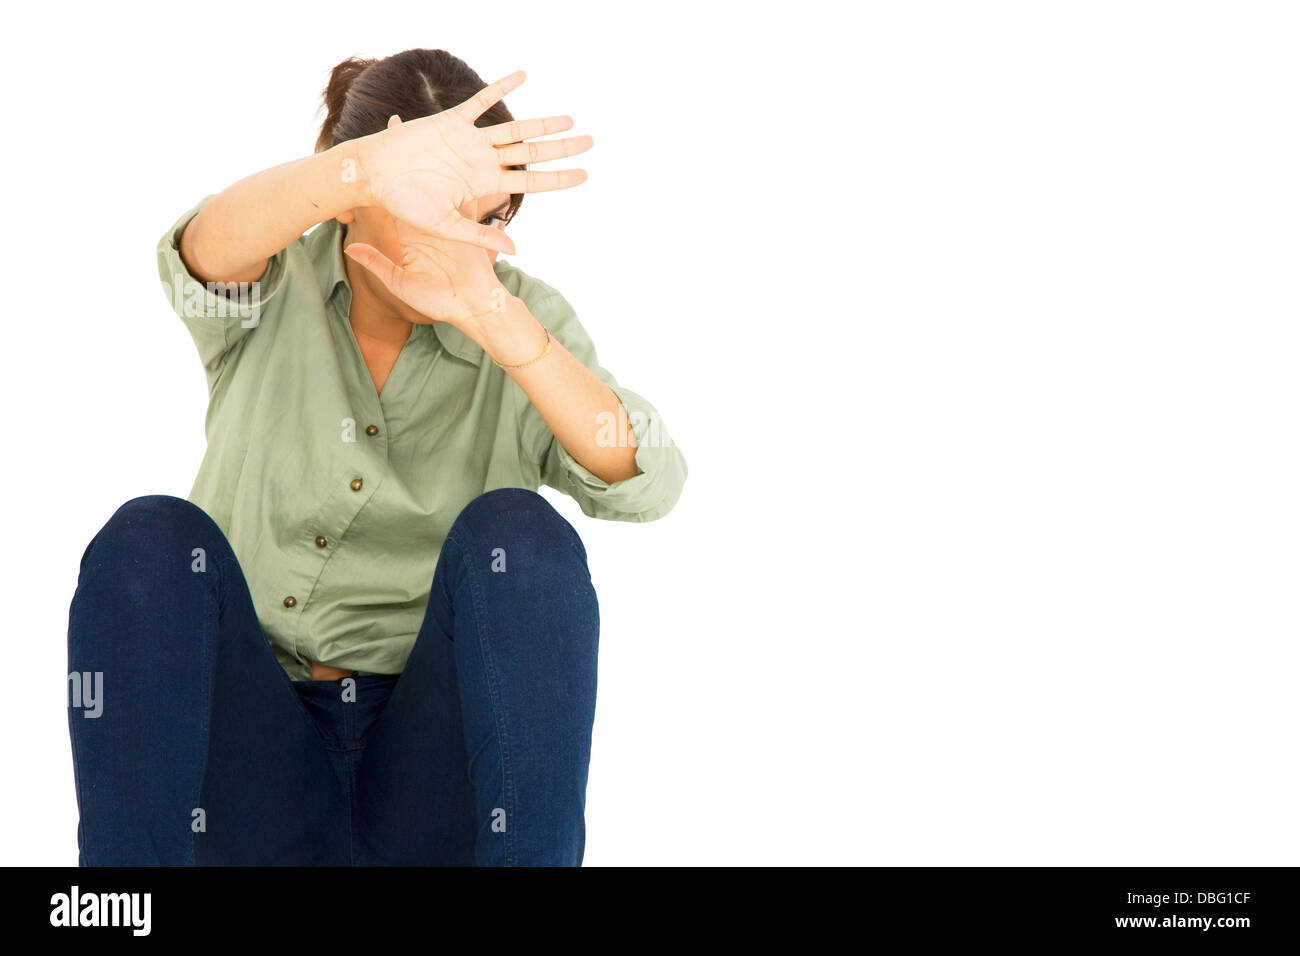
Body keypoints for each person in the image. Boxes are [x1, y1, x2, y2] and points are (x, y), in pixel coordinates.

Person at [66, 48, 687, 866]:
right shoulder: (275, 281)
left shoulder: (519, 318)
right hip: (255, 771)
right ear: (354, 196)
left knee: (522, 533)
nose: (468, 240)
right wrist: (356, 168)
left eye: (493, 217)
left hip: (434, 781)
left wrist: (501, 326)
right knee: (148, 536)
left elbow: (646, 481)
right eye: (437, 208)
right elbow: (200, 253)